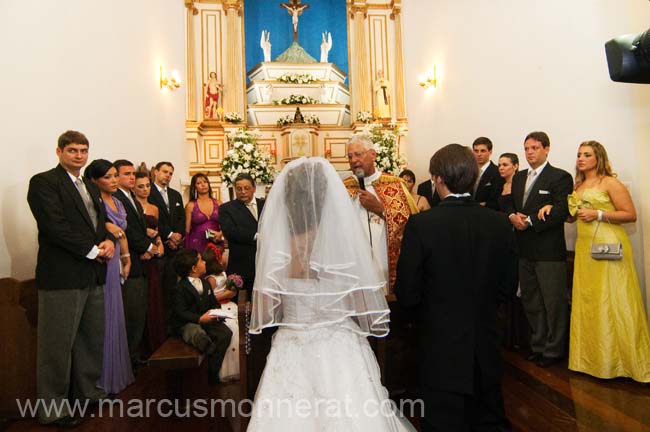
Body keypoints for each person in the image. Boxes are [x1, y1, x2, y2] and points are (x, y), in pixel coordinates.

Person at [248, 157, 415, 431]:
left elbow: (265, 311)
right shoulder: (343, 242)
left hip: (292, 342)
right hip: (340, 342)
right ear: (328, 198)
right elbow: (362, 304)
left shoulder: (276, 245)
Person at [395, 144, 517, 432]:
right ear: (474, 177)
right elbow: (509, 286)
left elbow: (408, 289)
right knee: (489, 415)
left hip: (439, 342)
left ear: (437, 179)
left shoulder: (422, 225)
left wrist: (418, 319)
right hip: (485, 337)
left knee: (442, 419)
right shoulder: (499, 223)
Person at [538, 141, 650, 382]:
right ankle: (593, 361)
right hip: (585, 246)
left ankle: (625, 362)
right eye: (579, 154)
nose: (581, 158)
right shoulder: (578, 186)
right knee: (591, 300)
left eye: (587, 154)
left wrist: (598, 213)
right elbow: (571, 217)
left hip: (609, 245)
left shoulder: (610, 182)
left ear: (598, 157)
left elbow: (631, 215)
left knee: (614, 298)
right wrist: (552, 206)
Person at [27, 130, 114, 426]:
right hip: (62, 275)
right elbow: (54, 226)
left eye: (83, 151)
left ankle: (88, 393)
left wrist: (107, 242)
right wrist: (92, 250)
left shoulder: (88, 186)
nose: (79, 155)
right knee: (57, 345)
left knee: (91, 339)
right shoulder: (44, 183)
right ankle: (52, 409)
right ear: (59, 152)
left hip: (92, 271)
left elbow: (98, 222)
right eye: (73, 150)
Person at [504, 131, 573, 367]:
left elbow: (562, 210)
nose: (530, 152)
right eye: (526, 148)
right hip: (524, 250)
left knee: (553, 302)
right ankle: (539, 344)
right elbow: (511, 205)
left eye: (534, 148)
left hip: (549, 251)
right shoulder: (520, 177)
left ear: (546, 149)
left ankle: (554, 350)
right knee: (531, 301)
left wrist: (530, 220)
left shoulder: (560, 177)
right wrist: (513, 216)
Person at [85, 159, 135, 395]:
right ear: (95, 181)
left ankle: (117, 374)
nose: (114, 180)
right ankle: (102, 379)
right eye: (108, 176)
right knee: (103, 317)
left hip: (117, 259)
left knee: (117, 313)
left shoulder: (116, 200)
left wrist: (127, 257)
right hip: (102, 259)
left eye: (116, 175)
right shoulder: (93, 203)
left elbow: (122, 233)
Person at [343, 135, 417, 294]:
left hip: (385, 261)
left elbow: (411, 224)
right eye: (350, 156)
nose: (354, 160)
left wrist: (380, 209)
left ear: (373, 155)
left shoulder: (394, 185)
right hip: (354, 263)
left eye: (358, 154)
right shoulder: (344, 187)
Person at [114, 159, 156, 367]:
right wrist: (147, 248)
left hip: (140, 263)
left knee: (138, 312)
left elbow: (139, 228)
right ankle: (129, 359)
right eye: (126, 174)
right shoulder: (117, 198)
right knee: (131, 313)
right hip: (130, 262)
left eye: (133, 173)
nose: (131, 177)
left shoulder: (129, 197)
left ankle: (133, 356)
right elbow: (128, 230)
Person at [171, 248, 232, 385]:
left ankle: (212, 371)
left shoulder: (205, 283)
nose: (204, 262)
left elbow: (213, 302)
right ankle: (203, 342)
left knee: (225, 333)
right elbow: (181, 312)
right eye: (201, 260)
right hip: (189, 322)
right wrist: (199, 319)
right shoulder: (180, 288)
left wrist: (216, 312)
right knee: (193, 331)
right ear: (194, 268)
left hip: (207, 320)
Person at [149, 161, 185, 332]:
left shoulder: (176, 195)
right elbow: (152, 219)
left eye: (171, 173)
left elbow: (181, 218)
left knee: (173, 287)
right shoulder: (148, 192)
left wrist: (178, 235)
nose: (168, 176)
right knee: (159, 290)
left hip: (175, 248)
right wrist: (169, 235)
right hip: (159, 246)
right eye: (164, 172)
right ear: (156, 172)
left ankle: (172, 325)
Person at [133, 168, 166, 352]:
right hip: (139, 255)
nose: (145, 189)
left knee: (154, 297)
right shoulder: (131, 205)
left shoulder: (154, 207)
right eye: (141, 186)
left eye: (147, 186)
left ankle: (155, 342)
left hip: (153, 256)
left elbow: (158, 231)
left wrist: (159, 245)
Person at [218, 173, 264, 294]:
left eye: (246, 188)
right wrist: (256, 236)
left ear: (254, 188)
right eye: (239, 189)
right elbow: (230, 232)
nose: (243, 191)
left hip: (265, 262)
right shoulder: (226, 208)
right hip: (242, 263)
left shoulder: (265, 204)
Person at [202, 248, 239, 382]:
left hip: (229, 305)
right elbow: (210, 298)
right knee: (231, 329)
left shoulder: (222, 273)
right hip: (221, 305)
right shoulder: (211, 279)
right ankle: (225, 369)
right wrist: (226, 294)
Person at [184, 173, 224, 255]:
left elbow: (224, 225)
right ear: (194, 187)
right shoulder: (190, 205)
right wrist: (186, 251)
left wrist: (221, 233)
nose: (203, 185)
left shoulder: (219, 203)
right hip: (196, 243)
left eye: (205, 182)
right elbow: (187, 230)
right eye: (199, 183)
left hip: (215, 243)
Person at [472, 137, 505, 210]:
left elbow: (496, 200)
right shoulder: (469, 171)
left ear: (490, 152)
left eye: (482, 151)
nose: (479, 154)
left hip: (487, 214)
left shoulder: (497, 172)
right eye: (476, 151)